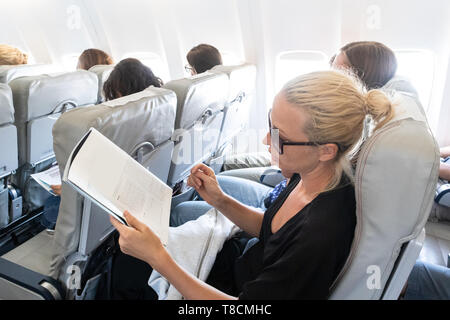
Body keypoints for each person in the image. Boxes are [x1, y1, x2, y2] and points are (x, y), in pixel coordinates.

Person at [109, 69, 395, 299]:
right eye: (270, 126)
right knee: (124, 252)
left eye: (279, 137)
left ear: (326, 150)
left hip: (236, 291)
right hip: (240, 265)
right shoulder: (307, 174)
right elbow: (274, 231)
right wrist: (219, 199)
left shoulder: (321, 235)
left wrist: (159, 258)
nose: (266, 141)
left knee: (131, 269)